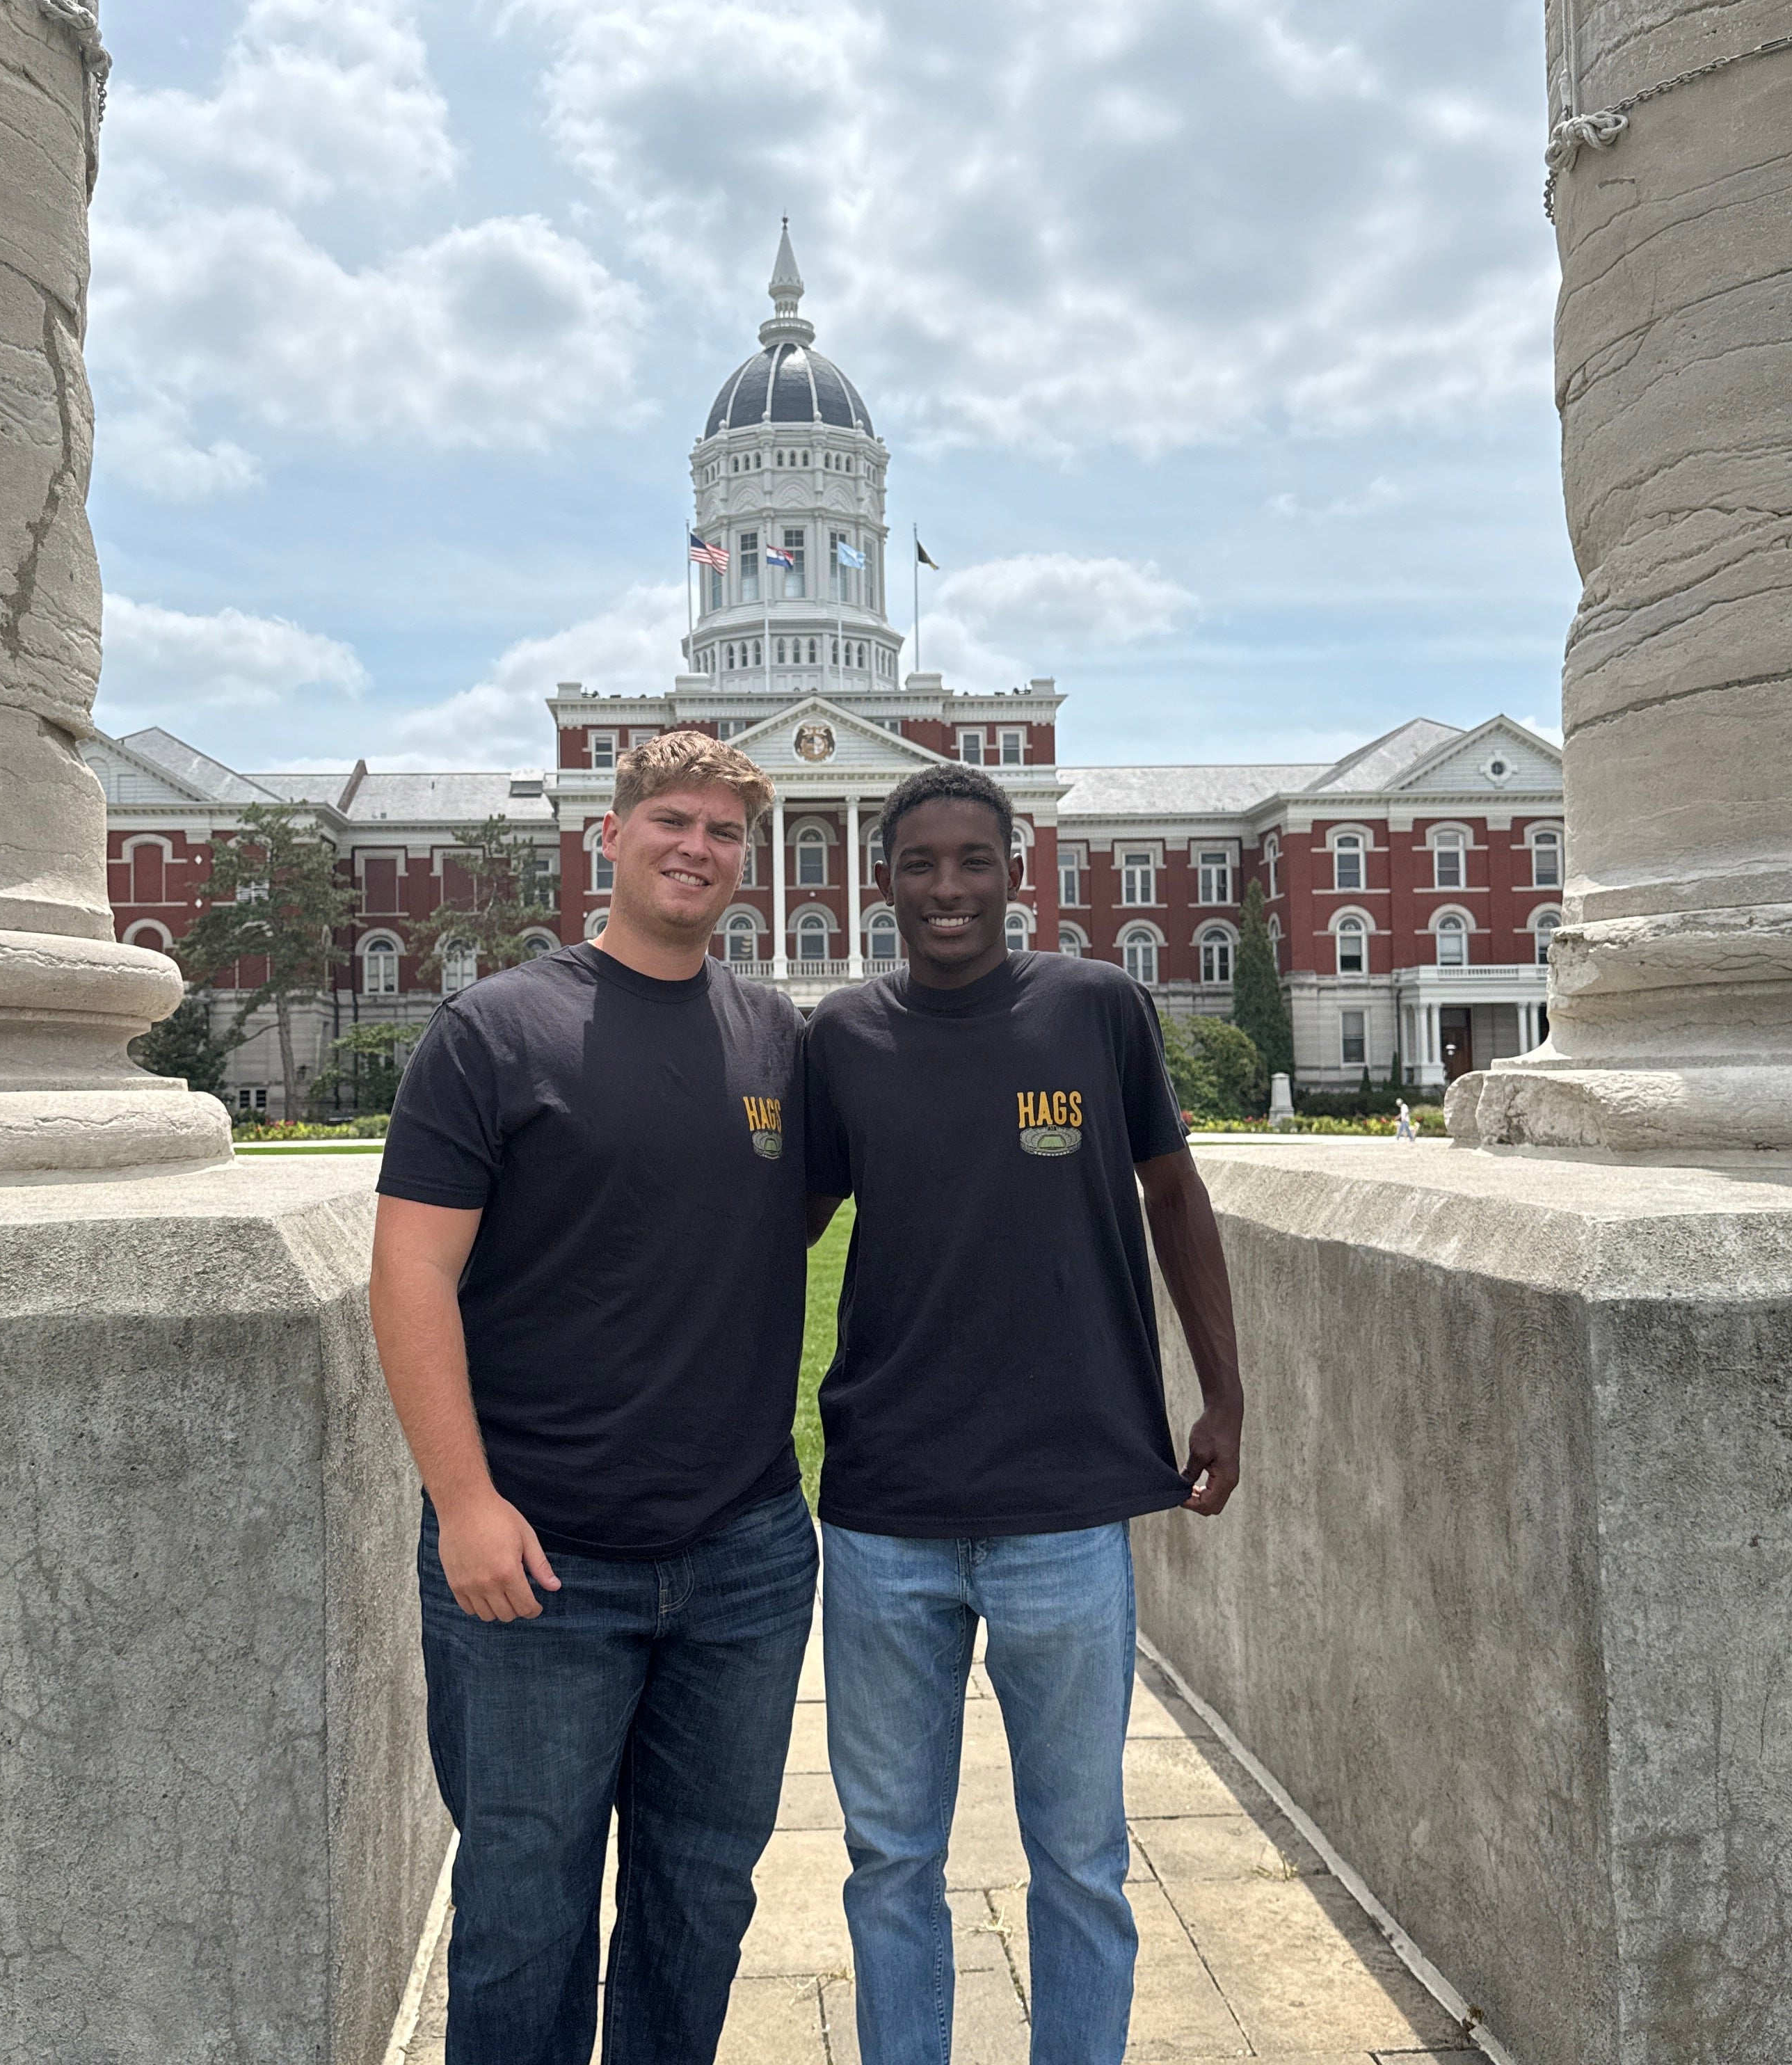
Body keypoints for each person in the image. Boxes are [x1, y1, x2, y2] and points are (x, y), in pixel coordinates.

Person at [369, 731, 817, 2065]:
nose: (697, 847)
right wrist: (465, 1505)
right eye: (671, 821)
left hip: (741, 1556)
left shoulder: (775, 1035)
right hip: (536, 1562)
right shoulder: (496, 1030)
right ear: (606, 838)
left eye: (725, 831)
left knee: (700, 1904)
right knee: (522, 1915)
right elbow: (410, 1275)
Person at [803, 765, 1243, 2065]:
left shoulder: (1096, 1010)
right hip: (887, 1515)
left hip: (1068, 1504)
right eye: (921, 864)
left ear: (1015, 871)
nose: (948, 887)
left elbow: (1176, 1197)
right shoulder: (839, 1038)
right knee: (889, 1862)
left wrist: (1222, 1394)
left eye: (973, 861)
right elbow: (774, 1232)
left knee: (1083, 1862)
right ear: (879, 879)